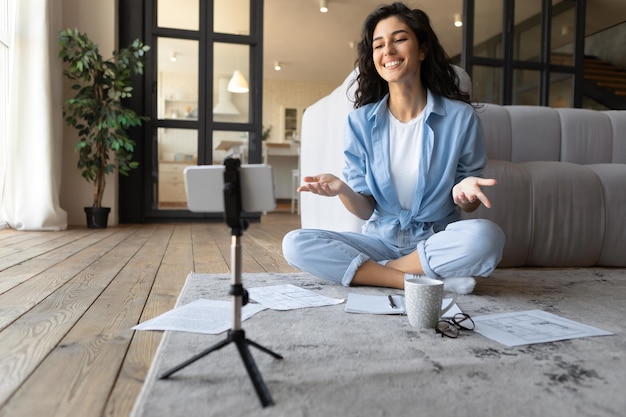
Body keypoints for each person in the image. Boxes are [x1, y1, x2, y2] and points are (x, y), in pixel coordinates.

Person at [282, 2, 505, 294]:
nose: (388, 50)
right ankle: (415, 280)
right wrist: (342, 188)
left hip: (435, 239)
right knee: (295, 244)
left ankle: (379, 272)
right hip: (379, 240)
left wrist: (465, 194)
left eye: (399, 39)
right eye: (378, 45)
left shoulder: (460, 118)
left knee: (487, 237)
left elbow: (468, 201)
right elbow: (365, 211)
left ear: (422, 50)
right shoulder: (360, 122)